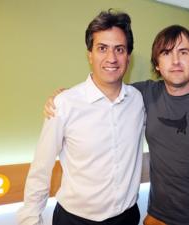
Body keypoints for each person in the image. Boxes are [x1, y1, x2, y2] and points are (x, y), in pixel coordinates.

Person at [45, 25, 189, 225]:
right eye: (167, 53)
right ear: (157, 65)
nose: (176, 61)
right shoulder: (143, 95)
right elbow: (105, 89)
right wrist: (66, 96)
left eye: (183, 52)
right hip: (157, 218)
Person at [17, 9, 145, 225]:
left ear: (128, 56)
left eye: (119, 49)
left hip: (127, 218)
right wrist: (30, 219)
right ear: (90, 54)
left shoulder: (139, 101)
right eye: (102, 48)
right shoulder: (64, 104)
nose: (111, 58)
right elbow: (41, 168)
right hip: (74, 220)